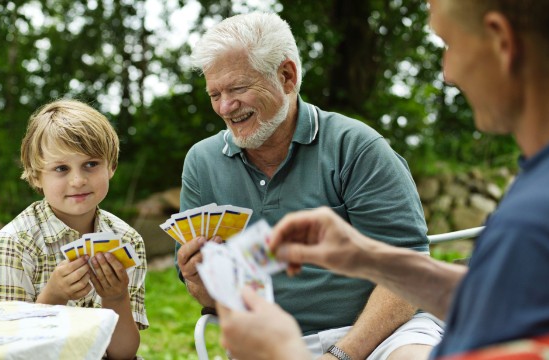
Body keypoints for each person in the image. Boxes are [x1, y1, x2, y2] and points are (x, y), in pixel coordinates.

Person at [216, 0, 549, 359]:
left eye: (449, 44)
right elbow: (510, 299)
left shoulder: (546, 222)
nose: (447, 73)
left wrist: (285, 352)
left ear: (502, 41)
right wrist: (369, 258)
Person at [176, 11, 443, 360]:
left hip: (384, 334)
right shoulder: (202, 163)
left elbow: (408, 270)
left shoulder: (356, 146)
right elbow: (217, 297)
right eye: (215, 94)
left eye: (238, 88)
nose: (225, 107)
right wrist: (198, 280)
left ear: (287, 76)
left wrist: (340, 355)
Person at [0, 99, 148, 360]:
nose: (78, 180)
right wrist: (54, 296)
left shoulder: (127, 240)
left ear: (111, 166)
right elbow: (3, 350)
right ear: (36, 176)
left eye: (91, 164)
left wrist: (116, 298)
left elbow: (123, 353)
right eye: (61, 168)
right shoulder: (12, 245)